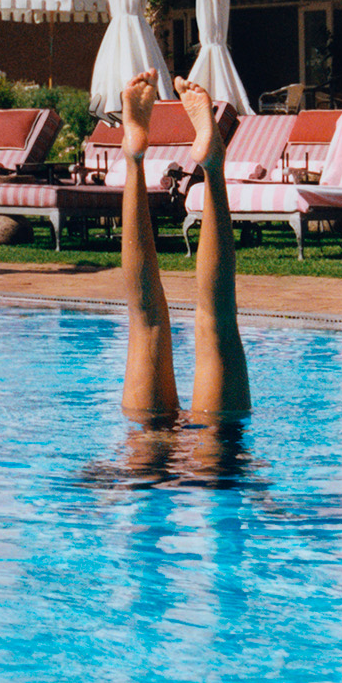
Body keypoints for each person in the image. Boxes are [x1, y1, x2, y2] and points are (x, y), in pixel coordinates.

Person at [120, 70, 250, 424]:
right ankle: (213, 168)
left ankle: (134, 159)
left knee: (145, 319)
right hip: (218, 461)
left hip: (146, 456)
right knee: (217, 319)